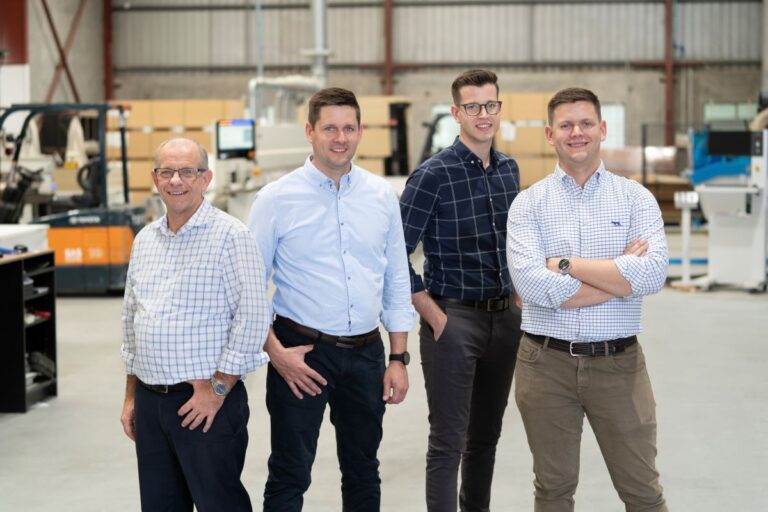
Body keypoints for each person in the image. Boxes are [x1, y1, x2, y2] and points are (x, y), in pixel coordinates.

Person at [248, 87, 416, 512]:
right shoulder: (275, 199)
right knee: (290, 471)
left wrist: (398, 357)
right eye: (329, 129)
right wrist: (277, 354)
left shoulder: (380, 197)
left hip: (365, 354)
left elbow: (397, 276)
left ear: (360, 132)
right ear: (310, 132)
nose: (339, 138)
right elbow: (249, 288)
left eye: (348, 128)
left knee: (363, 470)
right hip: (300, 354)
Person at [506, 87, 669, 511]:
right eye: (565, 125)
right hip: (545, 366)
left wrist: (564, 264)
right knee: (553, 490)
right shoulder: (528, 205)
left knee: (642, 491)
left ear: (602, 129)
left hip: (619, 365)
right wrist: (618, 274)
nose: (576, 132)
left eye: (585, 123)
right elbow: (533, 289)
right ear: (549, 133)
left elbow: (651, 274)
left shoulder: (636, 199)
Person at [120, 137, 270, 512]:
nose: (176, 181)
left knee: (219, 503)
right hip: (151, 403)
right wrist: (130, 396)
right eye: (167, 171)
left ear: (206, 178)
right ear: (155, 178)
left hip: (204, 404)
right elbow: (131, 323)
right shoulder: (144, 241)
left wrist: (217, 390)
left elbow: (253, 318)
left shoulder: (231, 236)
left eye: (187, 171)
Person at [399, 69, 522, 512]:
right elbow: (394, 254)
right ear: (456, 113)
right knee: (448, 441)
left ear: (499, 108)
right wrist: (433, 315)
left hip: (505, 319)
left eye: (490, 105)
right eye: (472, 107)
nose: (483, 114)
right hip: (453, 320)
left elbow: (515, 243)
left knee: (485, 438)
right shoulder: (432, 175)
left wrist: (518, 298)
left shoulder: (509, 170)